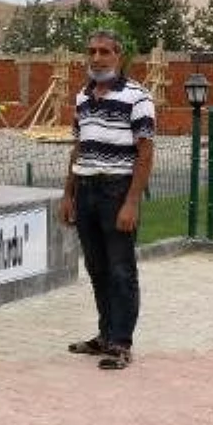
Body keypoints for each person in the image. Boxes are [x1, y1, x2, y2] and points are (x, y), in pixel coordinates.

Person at [59, 29, 155, 370]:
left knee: (121, 270)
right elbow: (78, 146)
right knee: (97, 268)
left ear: (119, 56)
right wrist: (68, 193)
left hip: (117, 191)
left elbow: (145, 153)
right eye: (92, 52)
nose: (97, 58)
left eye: (104, 52)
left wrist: (132, 202)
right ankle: (104, 335)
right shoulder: (83, 97)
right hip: (85, 191)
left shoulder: (137, 97)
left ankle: (121, 343)